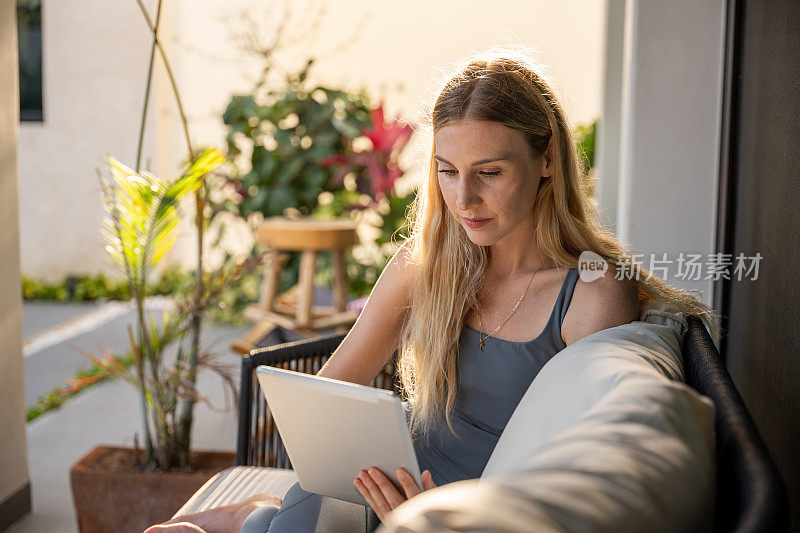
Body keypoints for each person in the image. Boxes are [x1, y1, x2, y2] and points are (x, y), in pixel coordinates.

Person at [146, 47, 718, 533]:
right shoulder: (429, 266)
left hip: (462, 517)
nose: (464, 199)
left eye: (489, 173)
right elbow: (332, 389)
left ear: (547, 159)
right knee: (312, 513)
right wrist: (343, 452)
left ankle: (256, 517)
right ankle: (267, 515)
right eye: (448, 171)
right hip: (381, 484)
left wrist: (428, 513)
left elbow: (573, 470)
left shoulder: (590, 293)